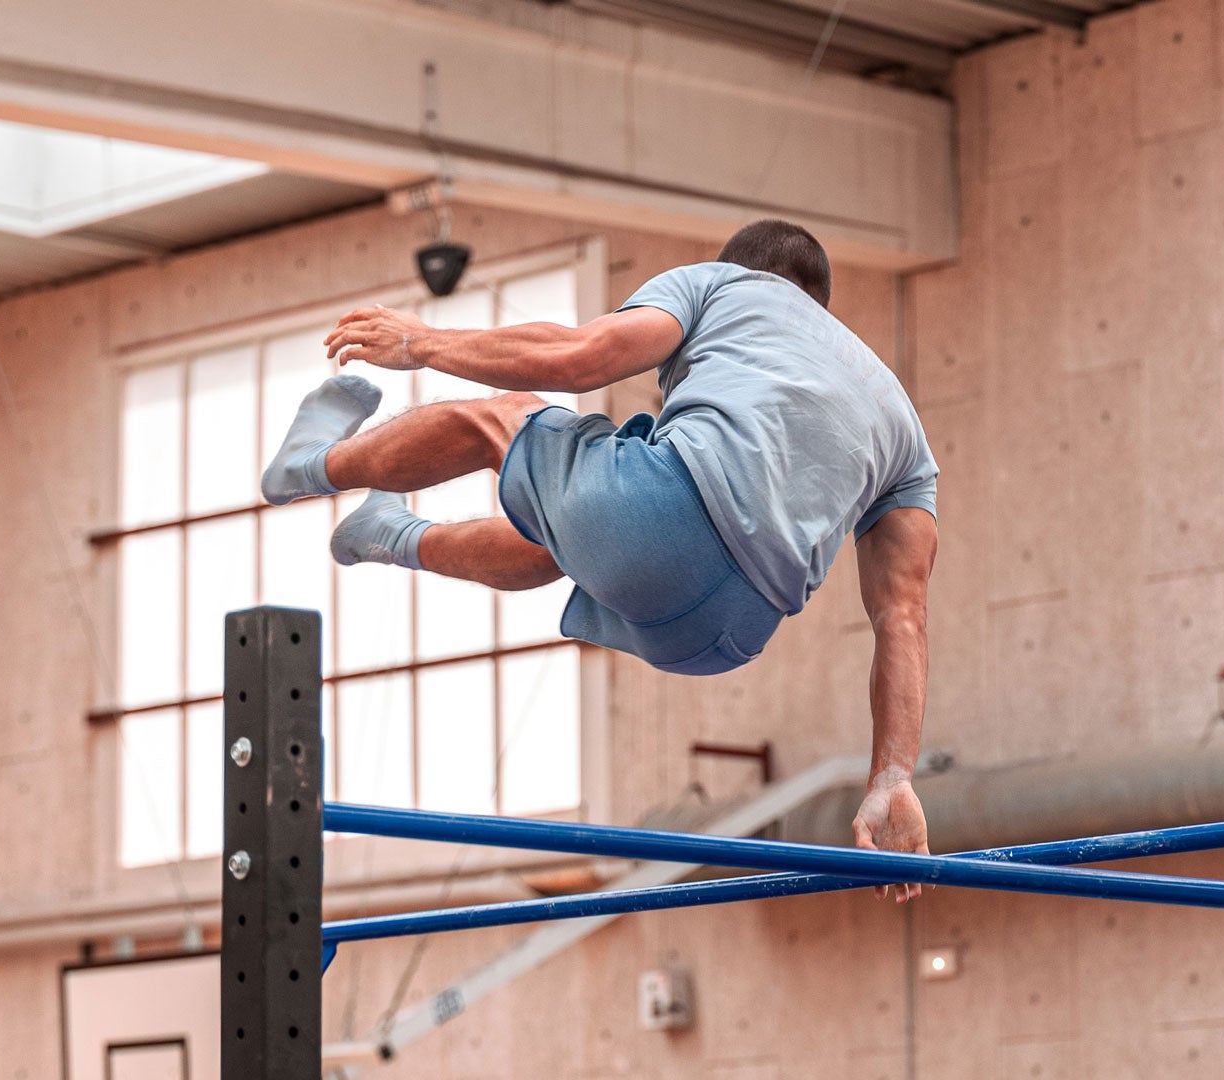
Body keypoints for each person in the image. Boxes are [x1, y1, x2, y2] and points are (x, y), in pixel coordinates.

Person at [261, 220, 939, 895]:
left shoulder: (722, 287)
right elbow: (900, 617)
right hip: (724, 635)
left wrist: (421, 342)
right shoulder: (900, 421)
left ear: (741, 269)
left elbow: (580, 357)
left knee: (502, 418)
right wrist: (893, 776)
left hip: (662, 520)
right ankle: (392, 536)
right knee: (572, 526)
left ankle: (308, 467)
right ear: (821, 304)